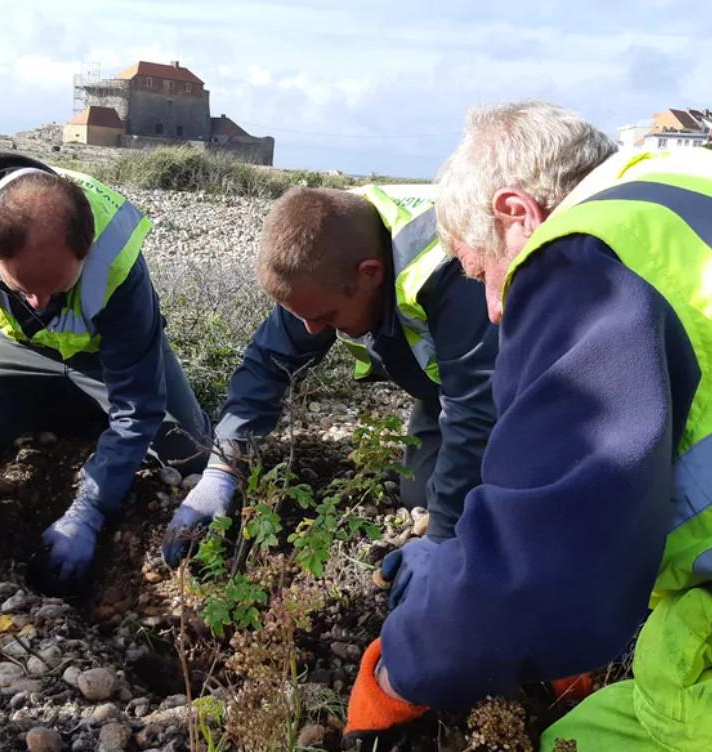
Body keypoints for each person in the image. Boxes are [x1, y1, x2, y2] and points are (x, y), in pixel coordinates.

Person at [343, 102, 712, 752]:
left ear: (520, 213)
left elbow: (537, 572)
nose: (493, 308)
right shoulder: (711, 191)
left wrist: (402, 667)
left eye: (481, 270)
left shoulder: (583, 251)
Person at [0, 153, 210, 591]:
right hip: (16, 348)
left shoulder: (114, 249)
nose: (41, 304)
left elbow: (138, 401)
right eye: (23, 289)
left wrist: (91, 508)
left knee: (190, 454)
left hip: (105, 359)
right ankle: (69, 415)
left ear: (84, 251)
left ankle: (85, 419)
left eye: (59, 287)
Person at [159, 184, 499, 568]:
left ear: (369, 274)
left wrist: (440, 544)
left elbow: (476, 408)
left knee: (477, 508)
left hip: (520, 385)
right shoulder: (322, 254)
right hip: (445, 386)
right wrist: (221, 471)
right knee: (421, 493)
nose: (313, 329)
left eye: (324, 317)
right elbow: (268, 362)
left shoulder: (449, 272)